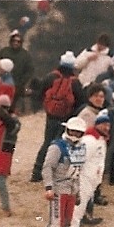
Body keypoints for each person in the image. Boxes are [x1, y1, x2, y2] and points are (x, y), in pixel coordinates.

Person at [30, 52, 83, 183]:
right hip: (67, 118)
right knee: (61, 145)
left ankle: (37, 172)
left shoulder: (50, 77)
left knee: (47, 142)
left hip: (51, 116)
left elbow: (40, 94)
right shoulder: (75, 82)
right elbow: (81, 101)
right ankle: (57, 173)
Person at [40, 117, 85, 227]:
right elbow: (47, 167)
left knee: (65, 223)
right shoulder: (57, 147)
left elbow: (78, 171)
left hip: (71, 190)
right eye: (73, 131)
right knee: (56, 223)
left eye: (78, 132)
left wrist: (77, 192)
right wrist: (48, 187)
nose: (75, 134)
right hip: (59, 188)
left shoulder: (80, 149)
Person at [0, 30, 34, 114]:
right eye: (14, 41)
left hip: (18, 85)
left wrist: (22, 82)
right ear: (11, 41)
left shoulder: (25, 55)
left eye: (18, 41)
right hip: (2, 83)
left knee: (13, 108)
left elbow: (30, 70)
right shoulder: (4, 51)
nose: (16, 43)